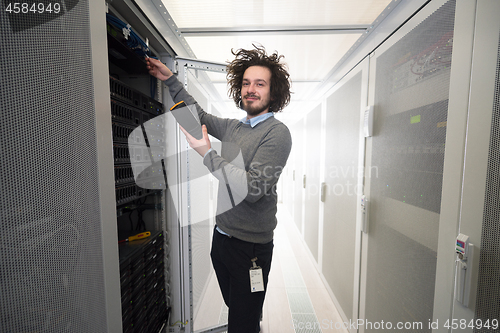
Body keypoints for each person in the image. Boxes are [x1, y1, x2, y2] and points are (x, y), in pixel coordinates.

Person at [145, 44, 292, 333]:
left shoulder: (277, 133)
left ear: (273, 93)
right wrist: (170, 80)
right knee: (239, 309)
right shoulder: (234, 128)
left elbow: (252, 189)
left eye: (259, 84)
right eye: (246, 83)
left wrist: (207, 154)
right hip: (222, 238)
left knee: (243, 322)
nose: (251, 89)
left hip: (250, 248)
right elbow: (196, 115)